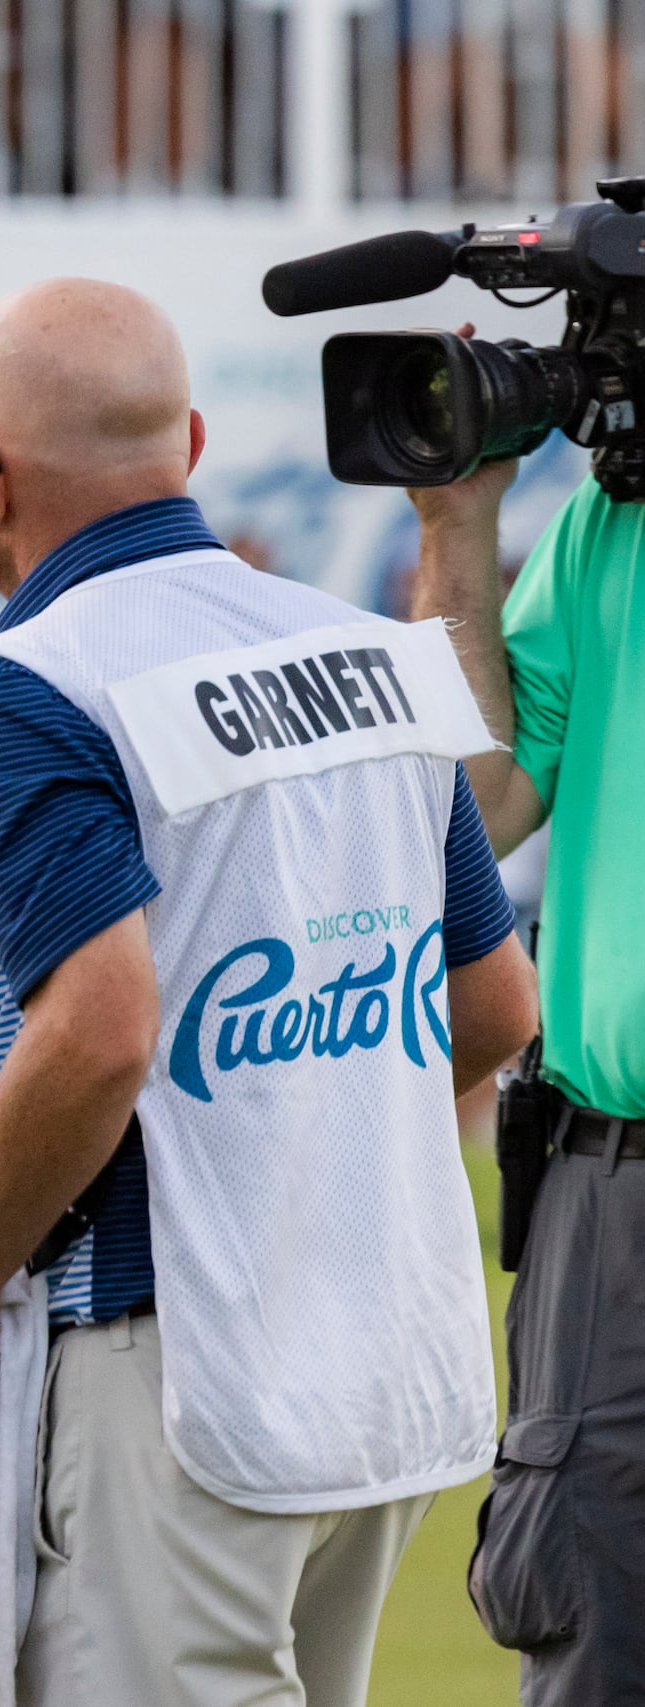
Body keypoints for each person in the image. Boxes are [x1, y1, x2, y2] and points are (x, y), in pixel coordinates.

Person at [0, 278, 538, 1707]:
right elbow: (496, 1007)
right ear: (187, 444)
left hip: (168, 1361)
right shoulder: (373, 655)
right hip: (377, 1361)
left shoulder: (26, 681)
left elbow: (98, 1031)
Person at [410, 447, 645, 1704]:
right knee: (588, 1619)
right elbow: (471, 806)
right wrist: (458, 525)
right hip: (610, 1184)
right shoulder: (611, 515)